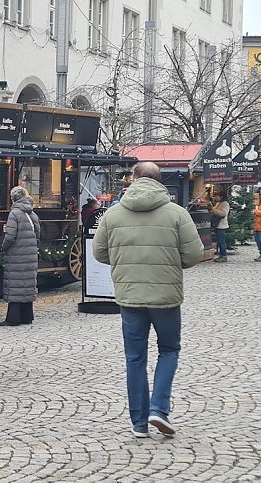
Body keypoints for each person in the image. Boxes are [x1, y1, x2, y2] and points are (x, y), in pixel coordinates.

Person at [93, 161, 203, 439]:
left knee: (135, 358)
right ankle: (159, 408)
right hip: (165, 296)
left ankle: (139, 422)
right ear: (159, 180)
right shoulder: (177, 213)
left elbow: (100, 253)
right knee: (169, 350)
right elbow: (192, 256)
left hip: (129, 296)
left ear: (133, 178)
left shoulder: (113, 214)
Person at [0, 186, 41, 327]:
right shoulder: (32, 213)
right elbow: (38, 234)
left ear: (13, 199)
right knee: (27, 283)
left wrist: (3, 247)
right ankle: (27, 316)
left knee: (15, 283)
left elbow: (10, 236)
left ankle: (13, 318)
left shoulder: (14, 214)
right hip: (30, 254)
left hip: (16, 255)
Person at [207, 192, 230, 263]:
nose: (215, 198)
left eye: (216, 196)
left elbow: (223, 213)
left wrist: (213, 210)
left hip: (221, 225)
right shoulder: (218, 203)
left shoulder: (225, 204)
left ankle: (223, 255)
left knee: (221, 241)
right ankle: (221, 255)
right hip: (217, 225)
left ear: (221, 197)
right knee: (219, 241)